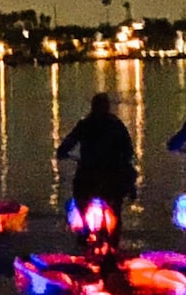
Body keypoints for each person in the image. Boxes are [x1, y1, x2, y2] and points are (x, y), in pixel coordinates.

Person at [57, 93, 137, 232]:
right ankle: (113, 233)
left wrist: (63, 153)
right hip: (111, 173)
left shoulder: (86, 124)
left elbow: (67, 144)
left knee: (80, 196)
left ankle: (86, 227)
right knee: (116, 202)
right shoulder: (115, 124)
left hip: (90, 172)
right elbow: (128, 151)